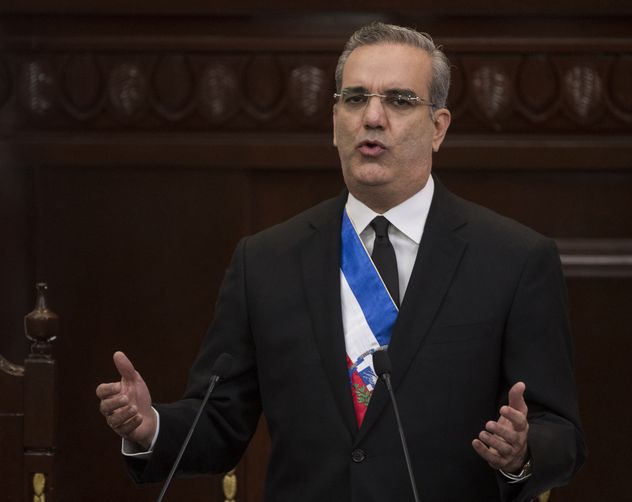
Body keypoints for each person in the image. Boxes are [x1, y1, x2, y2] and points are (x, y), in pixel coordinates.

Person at [96, 22, 586, 502]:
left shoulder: (513, 259)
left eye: (398, 100)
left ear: (438, 128)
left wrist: (522, 451)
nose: (372, 118)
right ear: (335, 122)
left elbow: (560, 433)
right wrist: (151, 426)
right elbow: (220, 418)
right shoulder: (267, 261)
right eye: (354, 99)